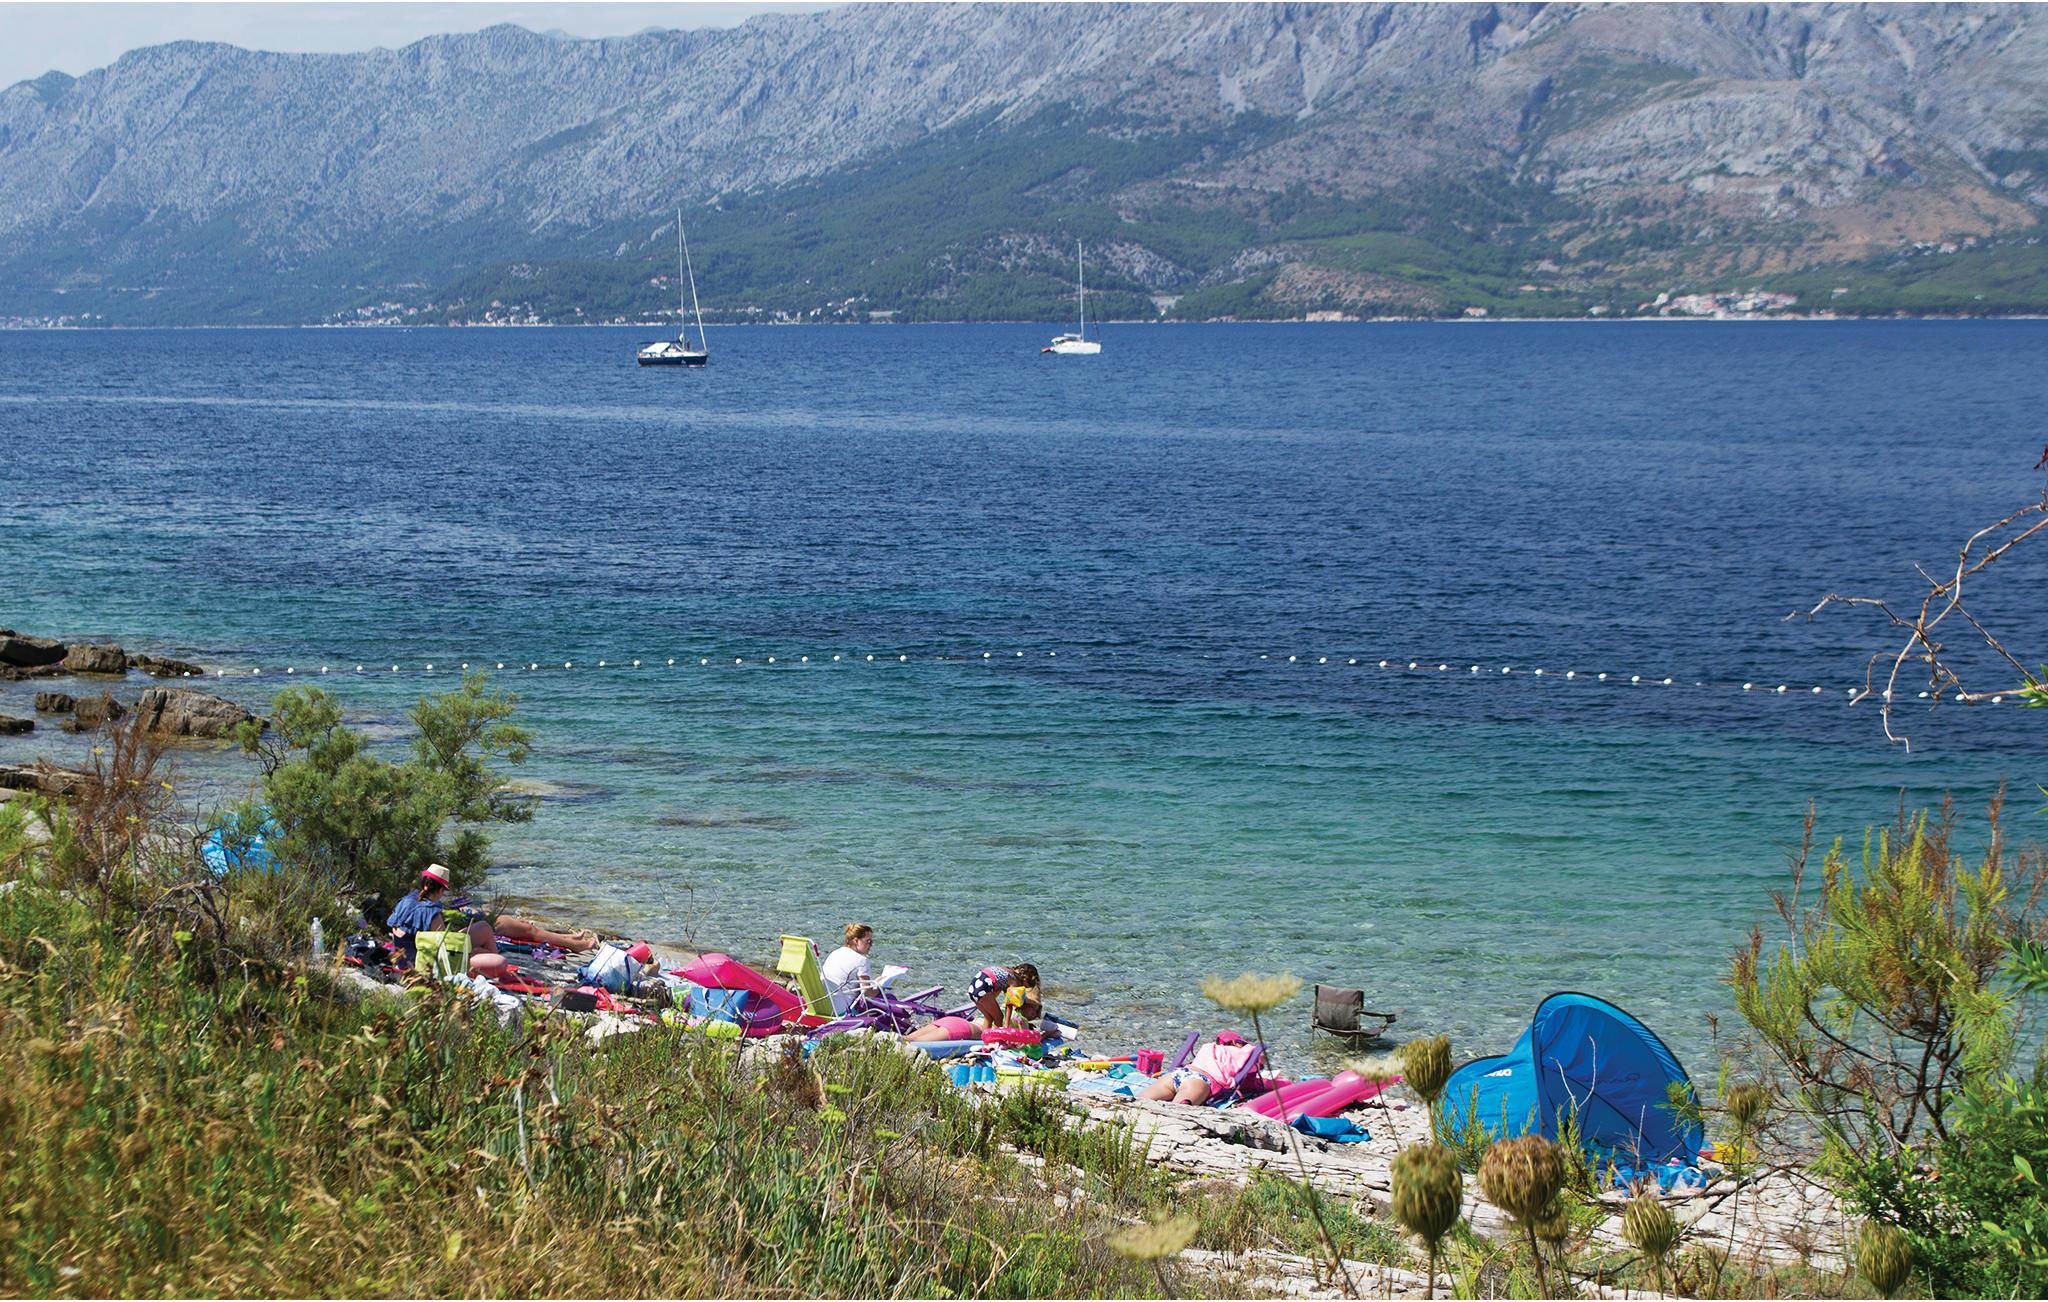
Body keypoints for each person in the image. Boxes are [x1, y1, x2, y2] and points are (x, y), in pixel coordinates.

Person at [1136, 1031, 1258, 1106]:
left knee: (1139, 1102)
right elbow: (1256, 1054)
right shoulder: (1239, 1051)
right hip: (1200, 1080)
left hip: (1178, 1074)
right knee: (1177, 1109)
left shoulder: (1208, 1047)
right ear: (1235, 1042)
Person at [820, 923, 875, 1016]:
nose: (871, 945)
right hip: (841, 1012)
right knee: (883, 1001)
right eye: (868, 941)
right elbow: (867, 993)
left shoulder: (835, 953)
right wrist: (881, 988)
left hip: (823, 1007)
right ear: (856, 941)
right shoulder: (862, 960)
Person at [967, 962, 1040, 1029]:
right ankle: (996, 1038)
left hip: (972, 989)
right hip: (983, 990)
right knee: (999, 1017)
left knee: (988, 1017)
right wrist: (1006, 1025)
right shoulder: (1015, 980)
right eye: (1025, 986)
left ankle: (985, 1037)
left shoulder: (1006, 970)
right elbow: (1009, 1003)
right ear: (1026, 979)